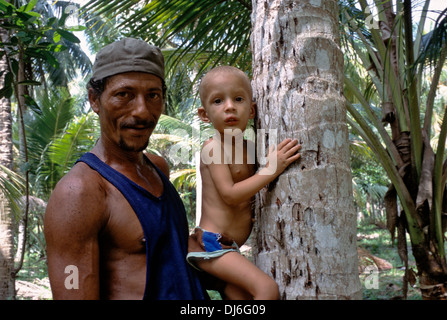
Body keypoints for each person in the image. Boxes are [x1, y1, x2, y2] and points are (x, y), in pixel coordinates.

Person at [44, 38, 205, 300]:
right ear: (94, 100)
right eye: (124, 95)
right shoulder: (79, 192)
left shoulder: (158, 168)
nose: (142, 111)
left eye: (153, 95)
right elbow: (72, 287)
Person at [187, 66, 301, 299]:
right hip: (211, 244)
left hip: (230, 248)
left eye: (238, 99)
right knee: (266, 290)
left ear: (251, 110)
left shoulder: (251, 149)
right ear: (204, 115)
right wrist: (271, 168)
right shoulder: (213, 148)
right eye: (218, 101)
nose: (229, 106)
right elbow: (229, 194)